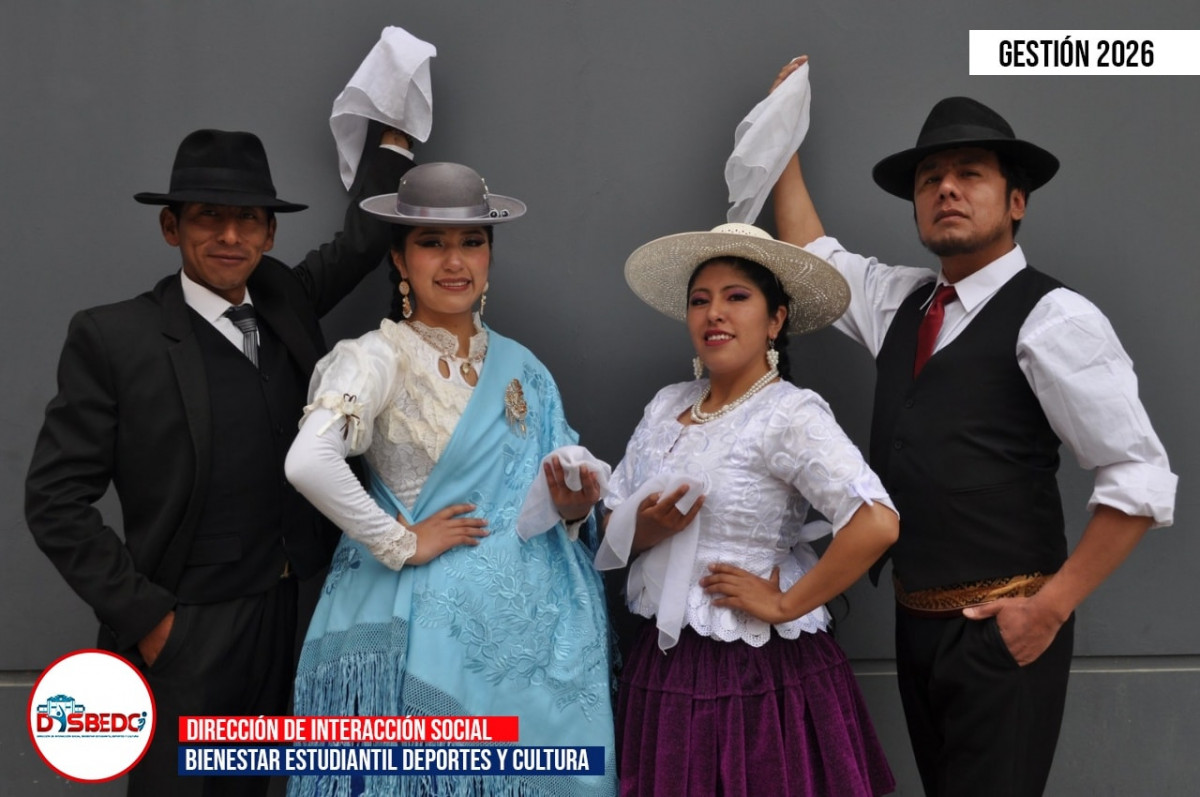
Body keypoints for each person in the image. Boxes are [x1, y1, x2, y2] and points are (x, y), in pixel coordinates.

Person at [769, 58, 1178, 796]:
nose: (946, 189)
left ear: (1016, 201)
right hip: (916, 622)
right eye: (930, 180)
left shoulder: (1056, 317)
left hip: (1006, 628)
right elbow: (811, 258)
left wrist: (1047, 610)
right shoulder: (904, 303)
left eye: (969, 174)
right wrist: (779, 135)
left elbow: (1140, 478)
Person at [24, 124, 414, 796]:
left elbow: (360, 243)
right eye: (209, 217)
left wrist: (394, 141)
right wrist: (151, 622)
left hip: (291, 613)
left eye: (248, 220)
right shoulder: (113, 337)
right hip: (186, 630)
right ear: (170, 227)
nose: (230, 237)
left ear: (268, 235)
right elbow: (54, 500)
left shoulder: (284, 298)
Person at [283, 162, 617, 797]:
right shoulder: (378, 356)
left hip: (533, 651)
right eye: (431, 243)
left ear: (490, 256)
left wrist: (575, 509)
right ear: (400, 261)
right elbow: (307, 461)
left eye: (472, 242)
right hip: (422, 639)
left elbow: (564, 490)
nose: (454, 260)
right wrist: (402, 542)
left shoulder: (527, 369)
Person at [595, 222, 899, 796]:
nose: (715, 314)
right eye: (700, 301)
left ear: (776, 319)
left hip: (758, 669)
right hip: (664, 661)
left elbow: (877, 522)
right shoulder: (667, 406)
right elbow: (610, 526)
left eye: (737, 298)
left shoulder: (788, 414)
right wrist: (646, 529)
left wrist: (785, 602)